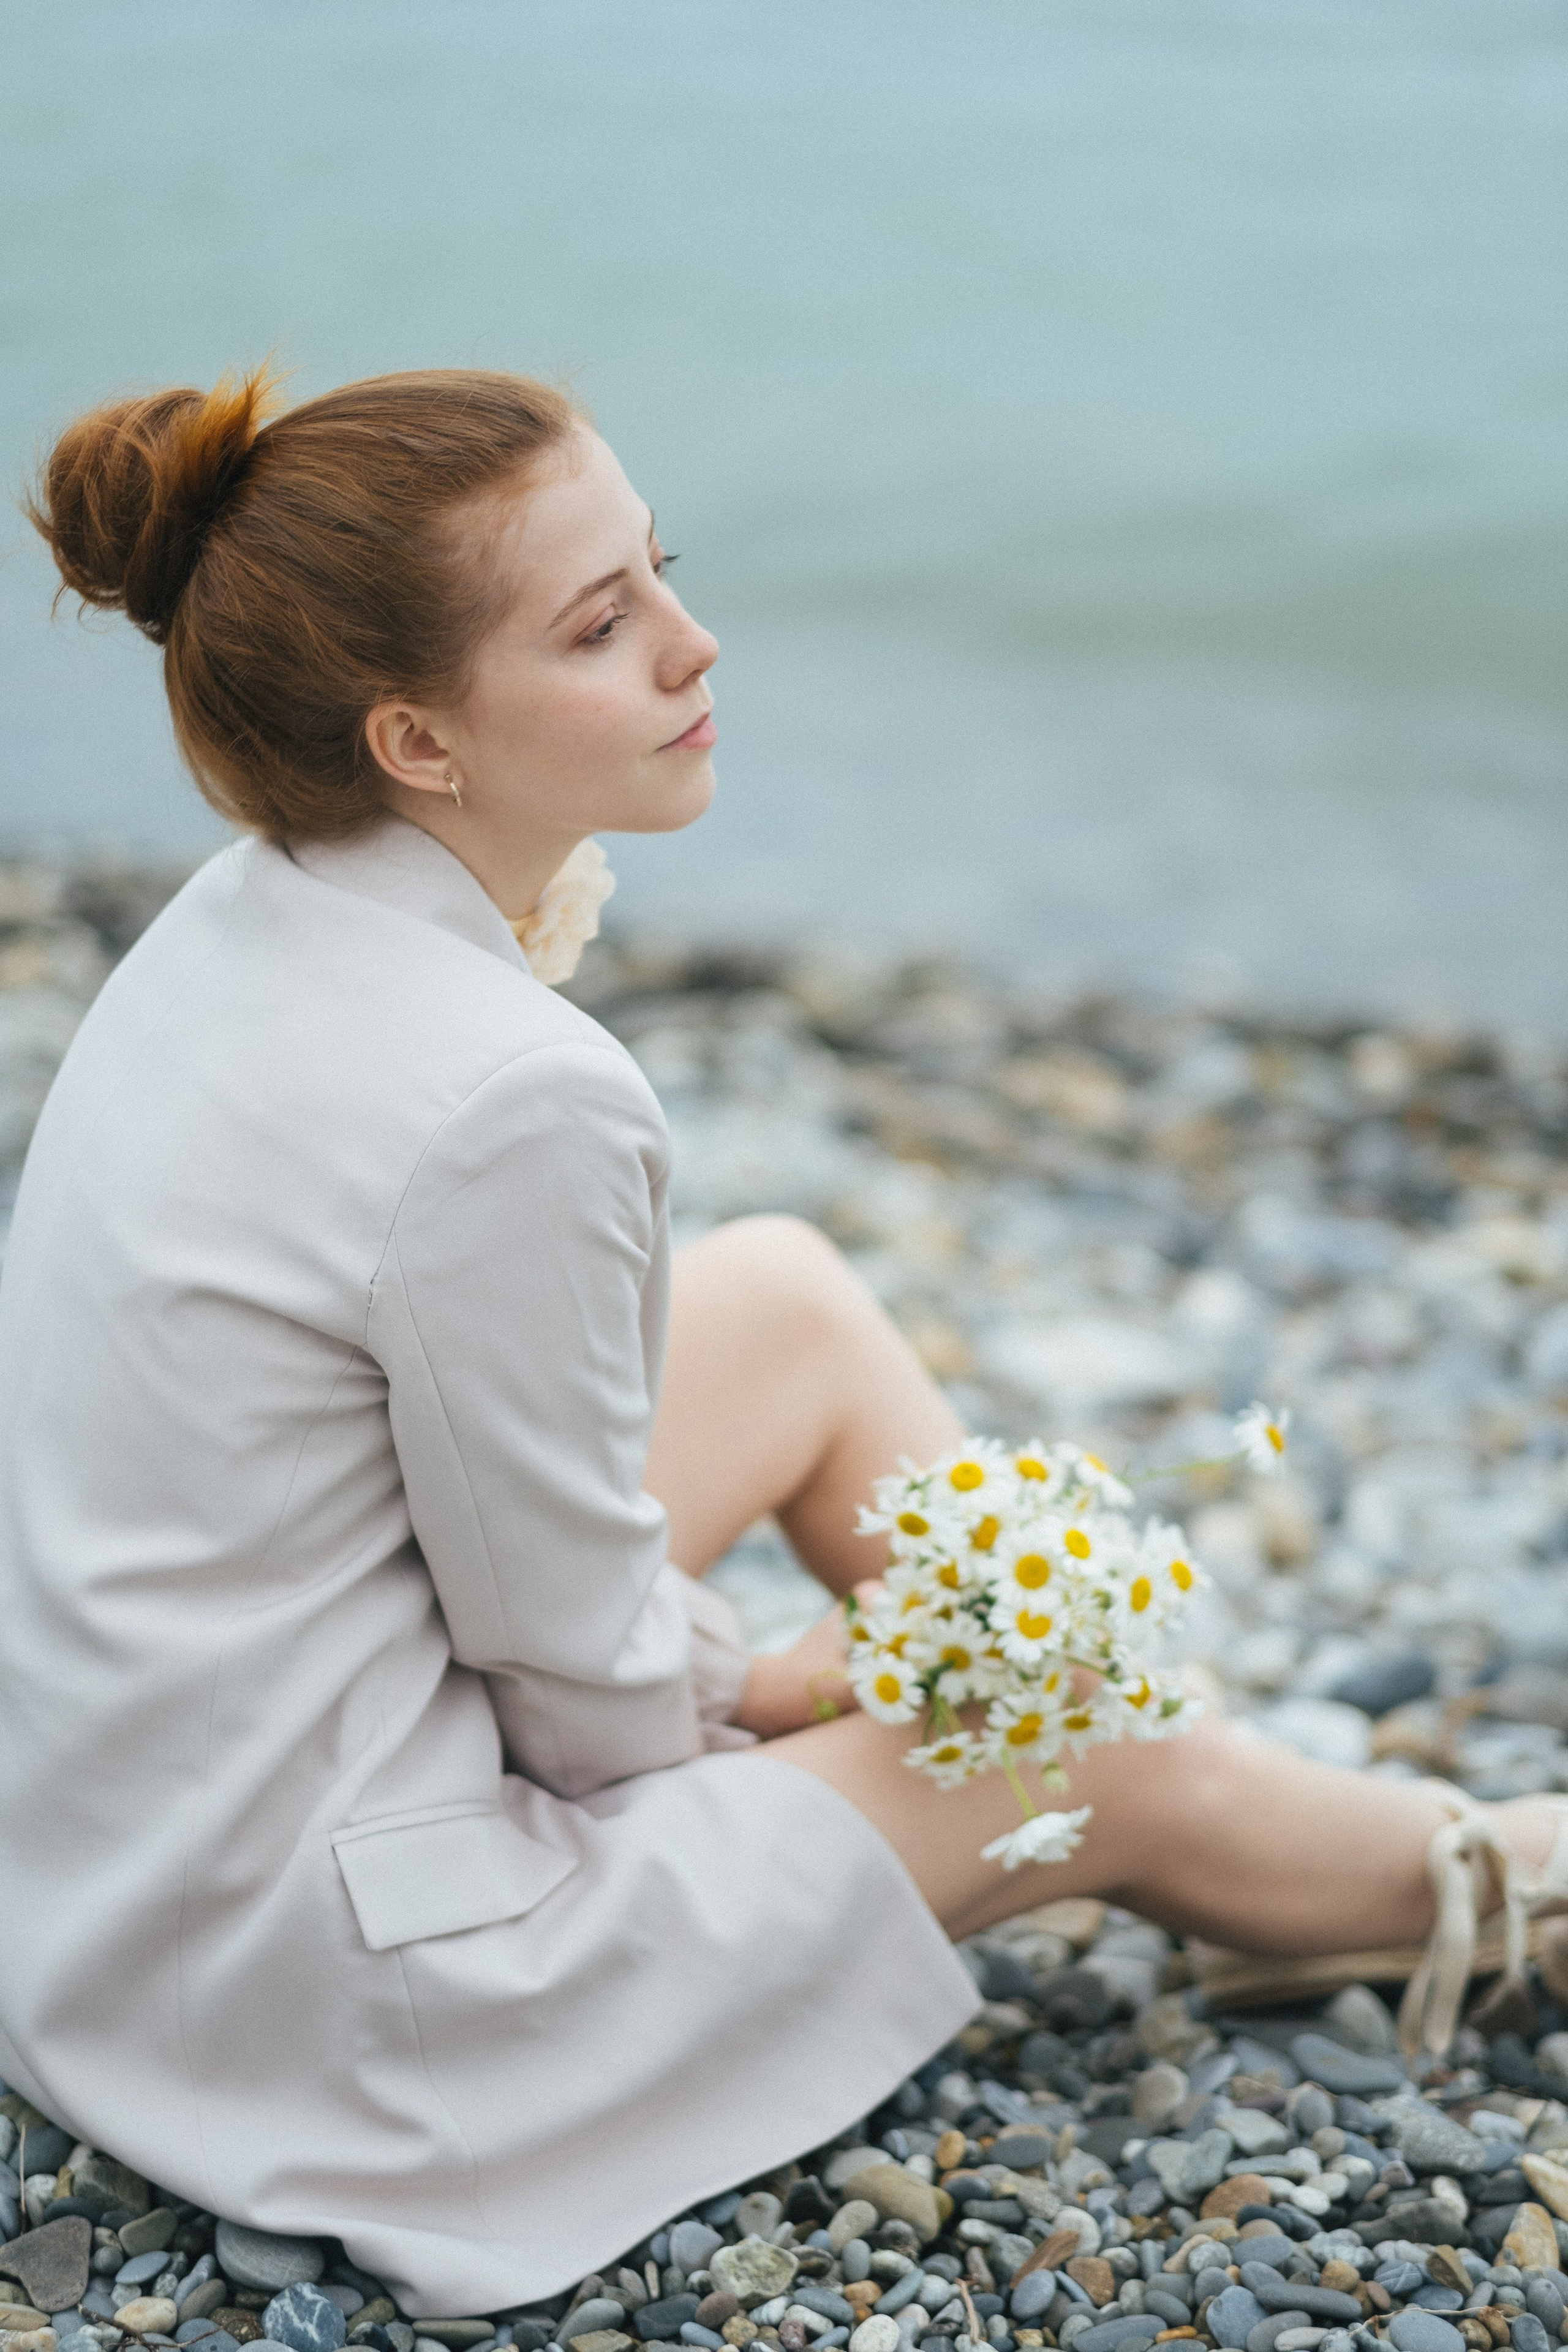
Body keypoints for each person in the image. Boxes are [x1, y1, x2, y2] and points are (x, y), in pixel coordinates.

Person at [2, 367, 1563, 2317]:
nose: (693, 639)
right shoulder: (504, 1095)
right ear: (414, 736)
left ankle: (1127, 1743)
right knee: (1080, 1748)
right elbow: (569, 1680)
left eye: (660, 570)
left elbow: (473, 1545)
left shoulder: (238, 925)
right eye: (600, 625)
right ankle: (1468, 1870)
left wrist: (800, 1673)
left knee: (789, 1299)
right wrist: (780, 1688)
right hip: (347, 2003)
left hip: (120, 1897)